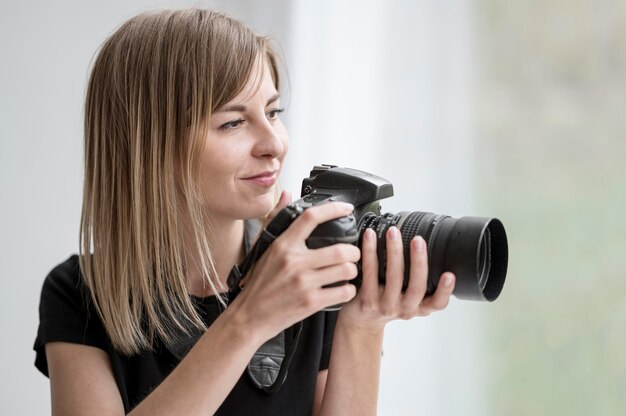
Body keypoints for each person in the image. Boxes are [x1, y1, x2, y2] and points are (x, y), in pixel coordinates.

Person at [33, 8, 456, 415]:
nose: (274, 144)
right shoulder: (79, 294)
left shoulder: (315, 271)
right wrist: (251, 316)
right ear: (149, 148)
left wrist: (363, 325)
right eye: (232, 123)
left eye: (273, 112)